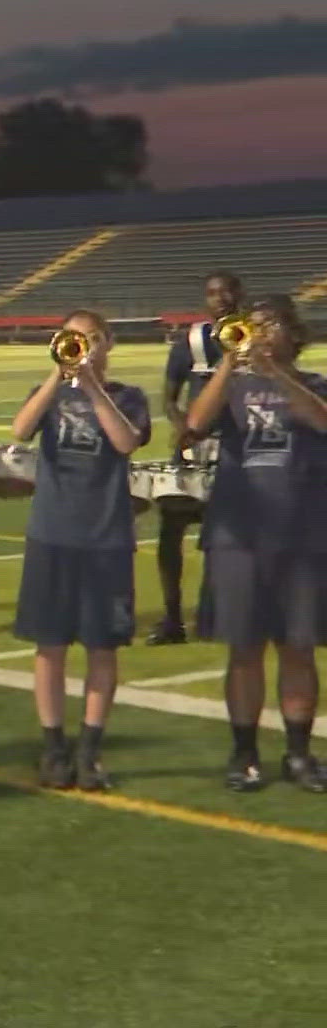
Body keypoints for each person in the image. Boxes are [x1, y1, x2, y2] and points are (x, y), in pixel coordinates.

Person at [185, 295, 327, 793]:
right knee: (243, 649)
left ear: (292, 333)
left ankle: (299, 753)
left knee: (299, 649)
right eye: (254, 325)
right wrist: (230, 362)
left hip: (303, 536)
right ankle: (244, 752)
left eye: (270, 325)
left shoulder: (311, 383)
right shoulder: (230, 385)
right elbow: (194, 425)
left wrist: (275, 374)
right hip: (236, 533)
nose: (261, 332)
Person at [8, 311, 151, 790]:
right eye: (73, 340)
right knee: (49, 646)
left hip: (105, 537)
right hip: (52, 532)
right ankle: (53, 748)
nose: (83, 347)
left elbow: (125, 440)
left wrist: (91, 385)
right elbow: (20, 430)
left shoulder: (129, 397)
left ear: (108, 343)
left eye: (91, 339)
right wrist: (58, 373)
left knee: (101, 648)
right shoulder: (48, 392)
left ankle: (89, 750)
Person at [151, 270, 241, 644]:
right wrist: (183, 426)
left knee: (227, 536)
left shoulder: (255, 336)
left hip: (236, 451)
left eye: (225, 291)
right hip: (192, 450)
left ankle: (222, 613)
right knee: (170, 530)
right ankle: (173, 619)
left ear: (239, 294)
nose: (218, 298)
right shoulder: (191, 339)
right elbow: (169, 397)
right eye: (211, 293)